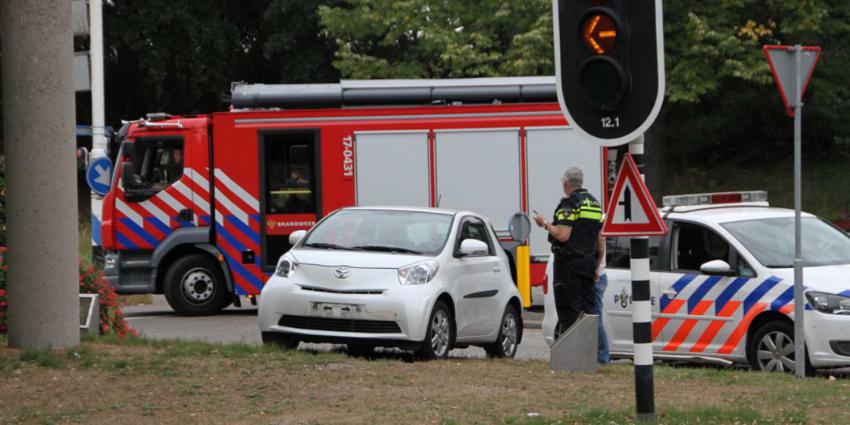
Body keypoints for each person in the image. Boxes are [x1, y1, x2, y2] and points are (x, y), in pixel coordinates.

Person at [534, 167, 603, 335]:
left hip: (569, 266)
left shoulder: (569, 204)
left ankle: (571, 358)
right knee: (588, 312)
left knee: (569, 313)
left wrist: (544, 223)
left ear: (566, 183)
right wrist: (596, 267)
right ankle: (587, 356)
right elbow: (600, 239)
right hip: (588, 264)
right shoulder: (594, 204)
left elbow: (563, 235)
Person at [595, 232, 611, 365]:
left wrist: (595, 270)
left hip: (597, 277)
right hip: (598, 276)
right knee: (594, 318)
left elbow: (600, 249)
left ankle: (603, 357)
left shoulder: (598, 227)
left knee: (595, 319)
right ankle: (600, 356)